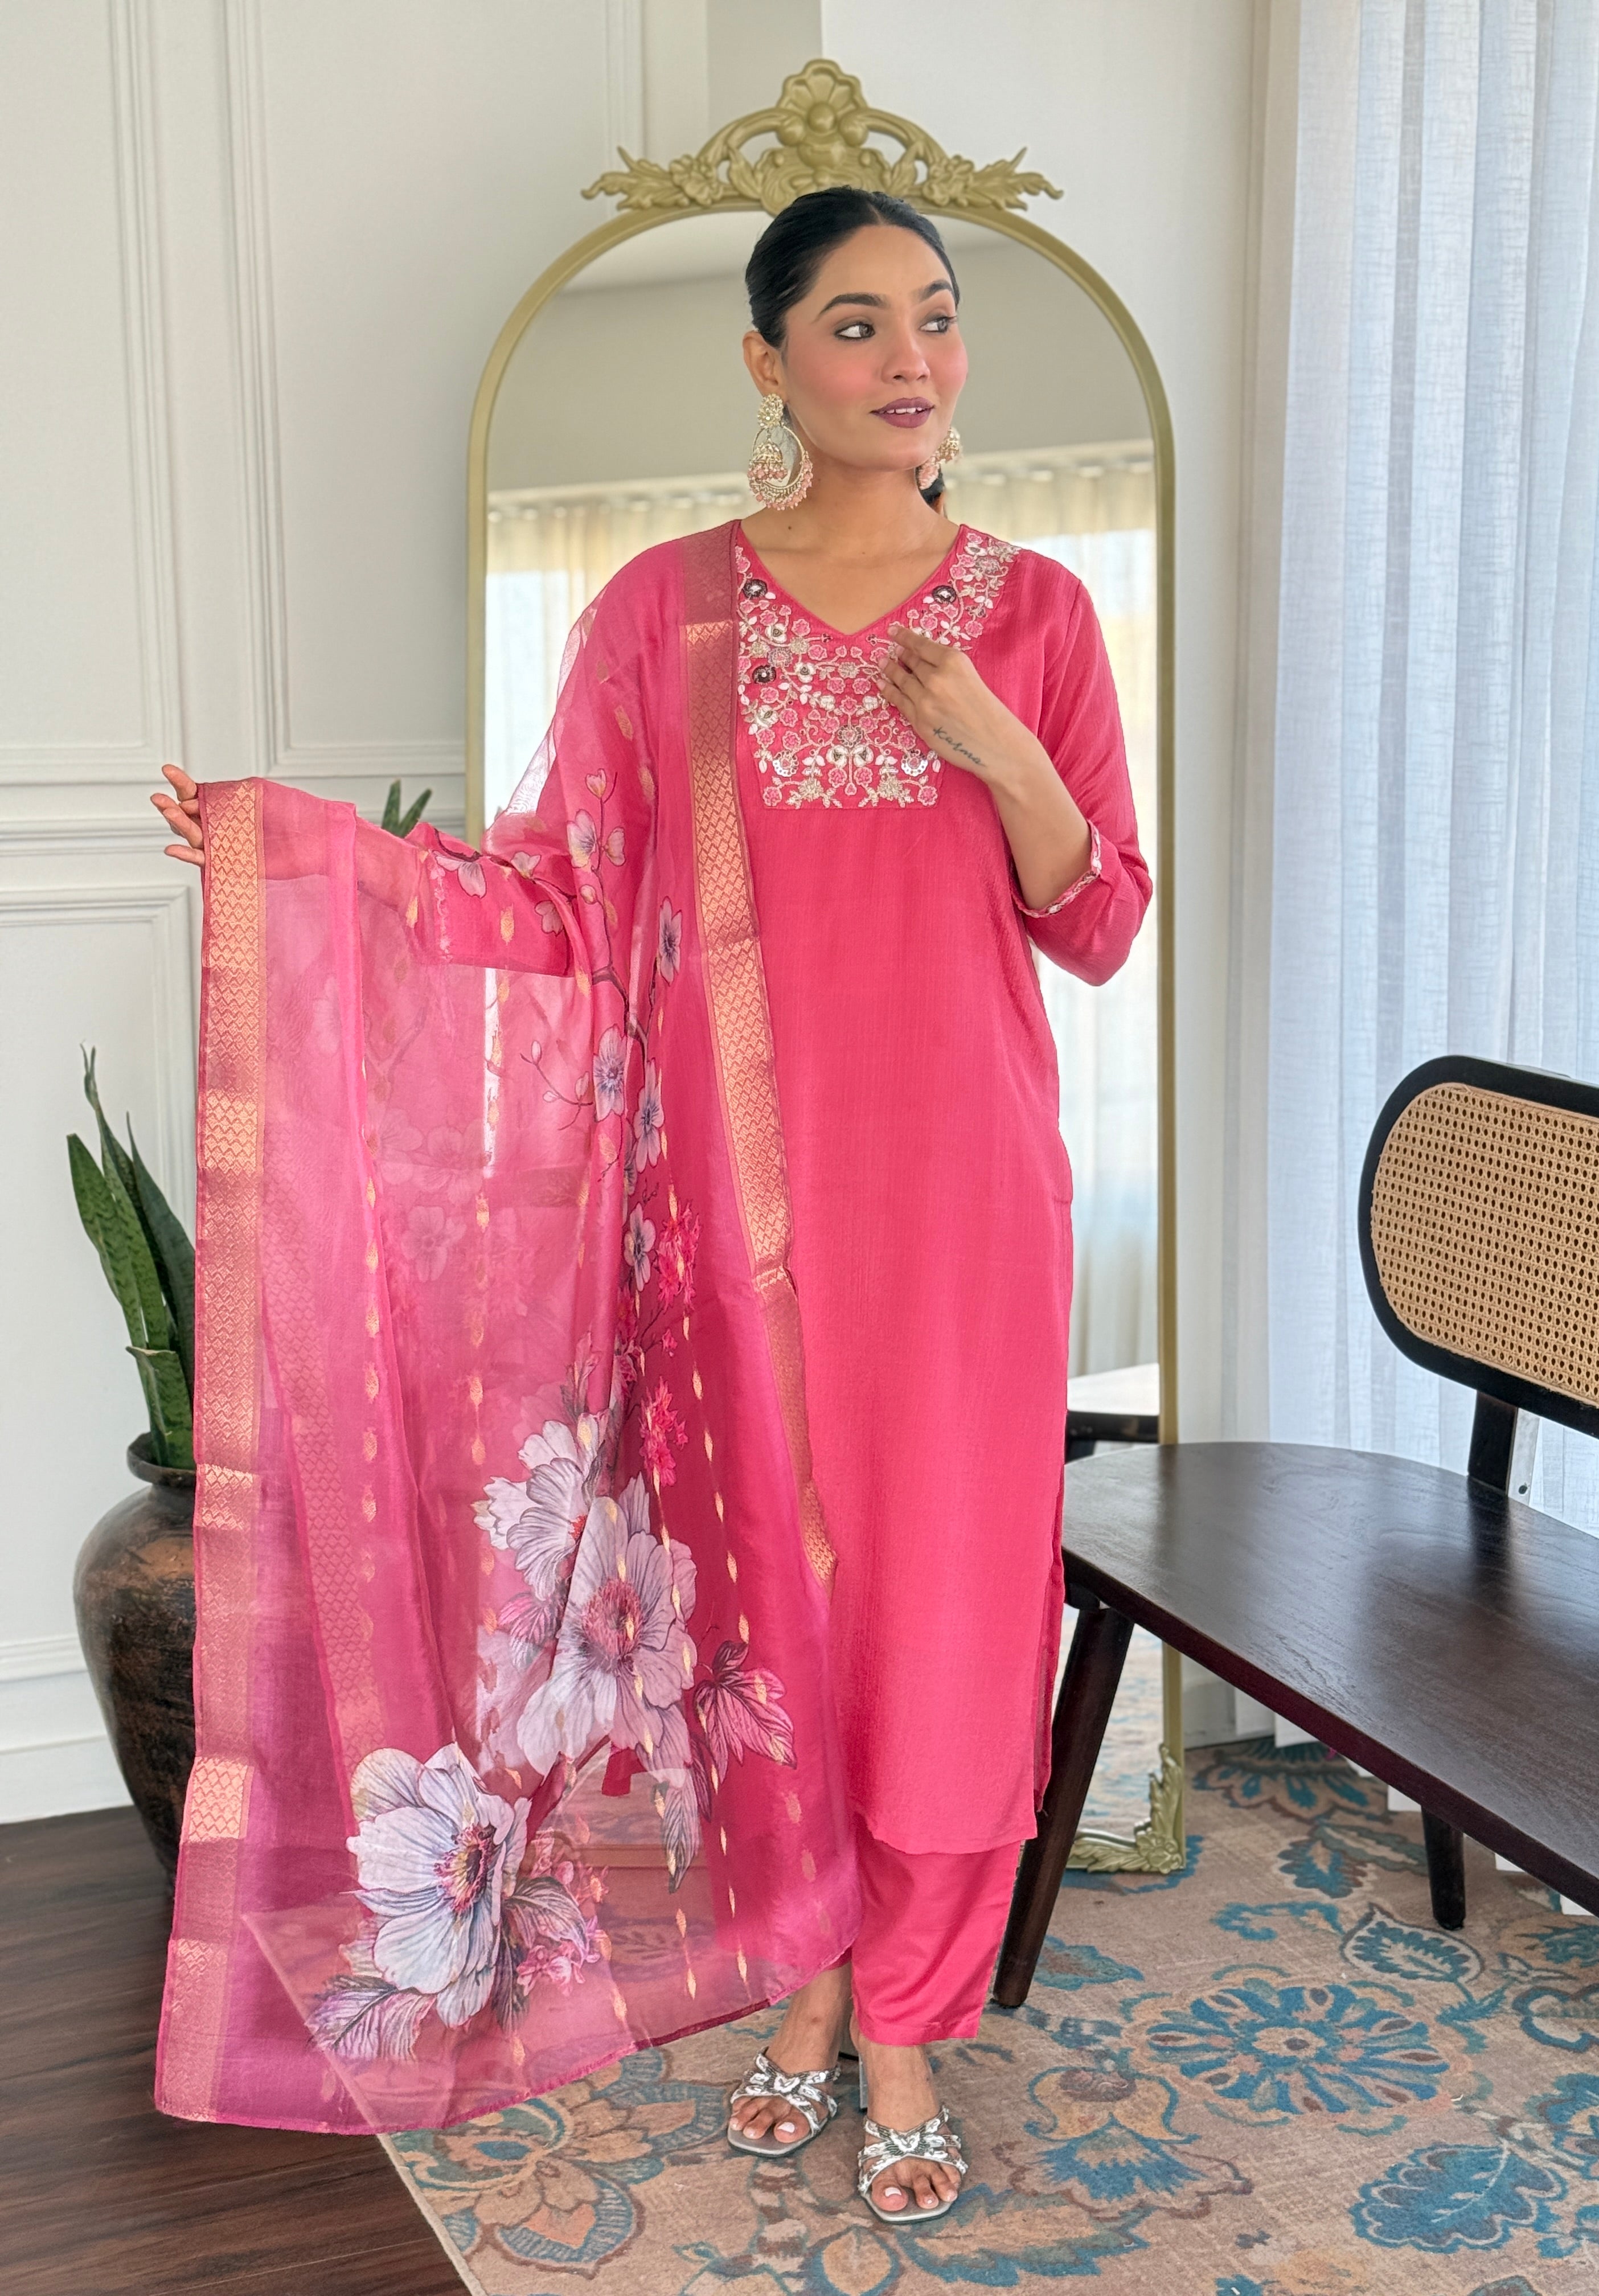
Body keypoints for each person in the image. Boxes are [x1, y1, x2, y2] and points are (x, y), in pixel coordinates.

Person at [154, 186, 1149, 2224]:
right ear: (768, 360)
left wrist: (995, 749)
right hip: (731, 1209)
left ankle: (906, 2025)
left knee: (949, 1610)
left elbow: (1102, 918)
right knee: (775, 1601)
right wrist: (319, 862)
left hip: (966, 1205)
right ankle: (800, 1973)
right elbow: (556, 899)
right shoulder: (666, 616)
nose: (910, 359)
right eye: (857, 323)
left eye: (937, 317)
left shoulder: (1035, 615)